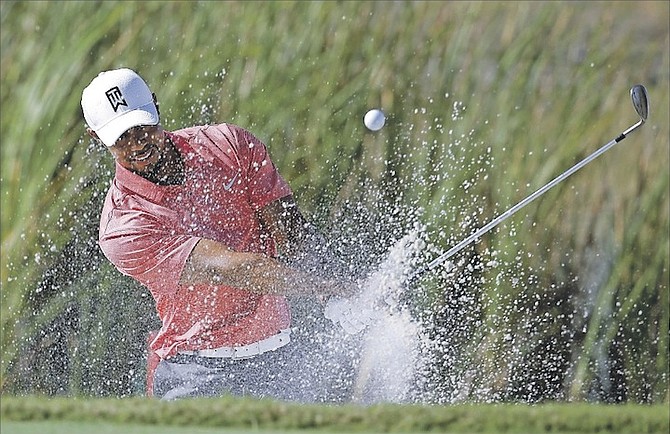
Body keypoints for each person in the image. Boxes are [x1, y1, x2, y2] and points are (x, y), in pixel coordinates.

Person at [81, 67, 367, 402]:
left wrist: (342, 287)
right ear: (95, 136)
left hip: (280, 358)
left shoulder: (229, 144)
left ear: (156, 106)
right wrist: (326, 287)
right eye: (121, 137)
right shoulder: (123, 226)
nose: (137, 143)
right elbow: (231, 268)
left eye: (142, 126)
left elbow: (293, 235)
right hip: (195, 375)